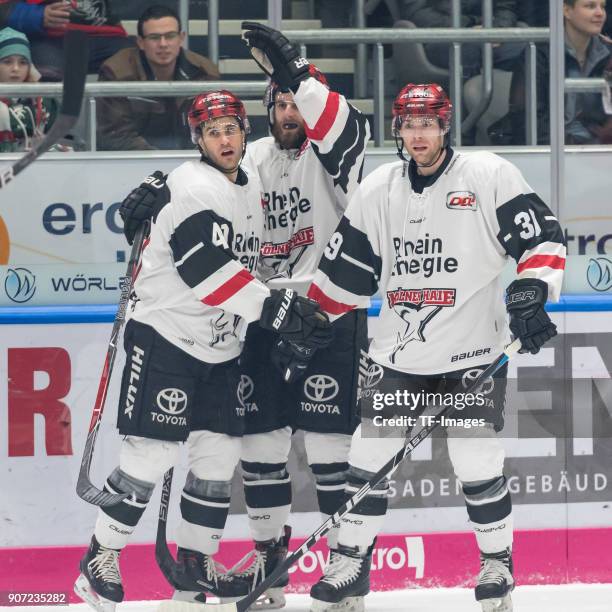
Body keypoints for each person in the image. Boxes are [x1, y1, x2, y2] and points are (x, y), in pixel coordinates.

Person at [117, 21, 371, 608]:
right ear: (264, 111)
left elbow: (341, 126)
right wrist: (156, 193)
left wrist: (300, 76)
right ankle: (270, 561)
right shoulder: (248, 158)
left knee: (333, 451)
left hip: (325, 313)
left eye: (298, 102)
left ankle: (345, 567)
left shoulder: (338, 154)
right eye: (280, 101)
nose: (291, 111)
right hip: (261, 315)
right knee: (260, 447)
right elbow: (205, 182)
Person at [305, 83, 566, 612]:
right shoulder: (379, 188)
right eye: (408, 123)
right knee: (369, 455)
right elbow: (345, 269)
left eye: (428, 123)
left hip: (473, 355)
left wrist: (532, 291)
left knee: (475, 461)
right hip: (398, 358)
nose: (418, 133)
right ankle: (351, 565)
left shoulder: (488, 175)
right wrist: (310, 324)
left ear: (446, 125)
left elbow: (542, 238)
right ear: (397, 129)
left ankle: (497, 566)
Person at [73, 89, 333, 612]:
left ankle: (193, 572)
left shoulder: (251, 179)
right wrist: (277, 309)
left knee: (217, 456)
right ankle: (99, 559)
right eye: (212, 132)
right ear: (198, 140)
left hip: (221, 346)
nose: (224, 140)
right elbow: (208, 274)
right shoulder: (192, 187)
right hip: (166, 334)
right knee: (153, 454)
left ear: (244, 130)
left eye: (231, 129)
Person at [96, 4, 220, 151]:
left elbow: (214, 129)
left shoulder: (203, 71)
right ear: (141, 42)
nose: (163, 44)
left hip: (189, 162)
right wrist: (158, 160)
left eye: (170, 36)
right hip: (133, 163)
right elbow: (115, 135)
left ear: (181, 38)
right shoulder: (116, 72)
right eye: (154, 37)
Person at [490, 0, 611, 145]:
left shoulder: (608, 54)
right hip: (547, 152)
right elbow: (526, 120)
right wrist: (570, 149)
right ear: (566, 11)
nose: (600, 13)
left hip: (597, 151)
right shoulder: (537, 54)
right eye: (590, 6)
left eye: (602, 7)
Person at [0, 0, 130, 81]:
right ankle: (46, 122)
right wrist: (38, 15)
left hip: (103, 36)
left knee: (135, 58)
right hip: (47, 38)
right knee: (48, 74)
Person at [398, 0, 524, 79]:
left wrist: (497, 29)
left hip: (486, 33)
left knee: (528, 49)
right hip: (438, 38)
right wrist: (471, 25)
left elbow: (506, 8)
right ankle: (465, 115)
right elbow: (417, 15)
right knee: (471, 50)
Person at [0, 27, 57, 152]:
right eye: (7, 62)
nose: (15, 68)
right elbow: (19, 125)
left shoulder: (43, 100)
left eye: (23, 62)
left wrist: (36, 85)